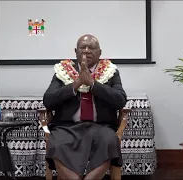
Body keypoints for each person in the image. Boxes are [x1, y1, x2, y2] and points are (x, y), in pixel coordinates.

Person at [43, 34, 127, 180]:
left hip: (101, 126)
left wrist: (93, 84)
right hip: (67, 126)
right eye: (83, 47)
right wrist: (76, 83)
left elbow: (120, 100)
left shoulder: (110, 71)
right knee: (57, 142)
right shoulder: (62, 71)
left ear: (100, 53)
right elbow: (48, 100)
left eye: (92, 48)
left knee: (109, 141)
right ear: (76, 51)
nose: (87, 51)